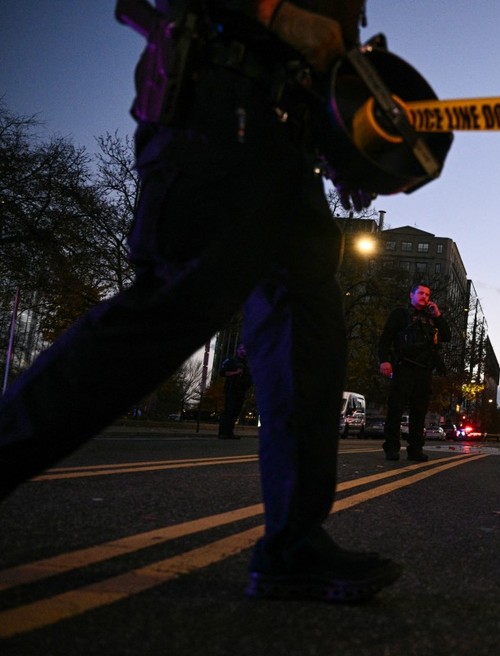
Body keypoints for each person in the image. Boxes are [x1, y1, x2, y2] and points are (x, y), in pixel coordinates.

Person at [0, 0, 403, 603]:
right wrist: (270, 12)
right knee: (175, 303)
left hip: (289, 140)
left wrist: (354, 146)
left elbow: (321, 64)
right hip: (217, 96)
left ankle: (293, 546)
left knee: (309, 335)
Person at [378, 284, 450, 462]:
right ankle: (392, 447)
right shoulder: (401, 315)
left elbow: (447, 336)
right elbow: (386, 338)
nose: (424, 297)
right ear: (412, 295)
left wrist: (438, 316)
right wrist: (384, 360)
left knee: (419, 411)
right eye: (420, 293)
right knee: (396, 408)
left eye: (427, 294)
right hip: (403, 367)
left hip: (424, 370)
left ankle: (415, 449)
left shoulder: (431, 318)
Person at [218, 343, 252, 439]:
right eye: (242, 348)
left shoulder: (247, 364)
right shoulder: (231, 361)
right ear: (237, 350)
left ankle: (230, 432)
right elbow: (222, 372)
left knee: (236, 411)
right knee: (229, 410)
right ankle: (223, 433)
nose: (244, 350)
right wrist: (236, 372)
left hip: (241, 391)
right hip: (231, 389)